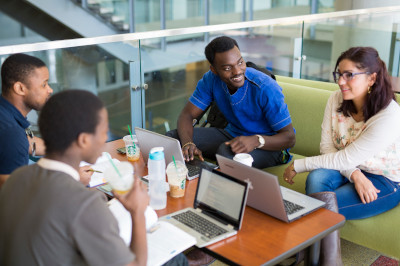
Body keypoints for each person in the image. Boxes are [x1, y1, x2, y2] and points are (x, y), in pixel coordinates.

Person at [0, 90, 188, 266]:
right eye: (103, 131)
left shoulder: (16, 178)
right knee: (177, 260)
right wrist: (137, 211)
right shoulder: (83, 203)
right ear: (83, 140)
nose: (105, 138)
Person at [283, 46, 400, 265]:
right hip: (348, 167)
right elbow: (328, 149)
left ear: (372, 78)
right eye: (339, 74)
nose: (341, 81)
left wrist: (299, 165)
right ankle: (317, 258)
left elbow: (343, 158)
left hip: (383, 179)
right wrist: (355, 174)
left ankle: (307, 254)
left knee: (319, 209)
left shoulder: (389, 115)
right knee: (317, 178)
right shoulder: (335, 100)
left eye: (350, 75)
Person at [167, 36, 295, 169]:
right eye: (228, 68)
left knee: (227, 154)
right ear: (214, 70)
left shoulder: (265, 87)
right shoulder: (210, 80)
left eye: (240, 62)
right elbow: (187, 115)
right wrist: (188, 144)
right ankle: (189, 179)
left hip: (270, 146)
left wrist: (257, 140)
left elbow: (289, 138)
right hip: (233, 135)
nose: (238, 71)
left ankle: (205, 181)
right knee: (173, 139)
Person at [0, 53, 92, 187]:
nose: (50, 90)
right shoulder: (11, 134)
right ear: (20, 88)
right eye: (44, 85)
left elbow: (25, 141)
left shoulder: (5, 112)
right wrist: (72, 181)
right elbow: (17, 194)